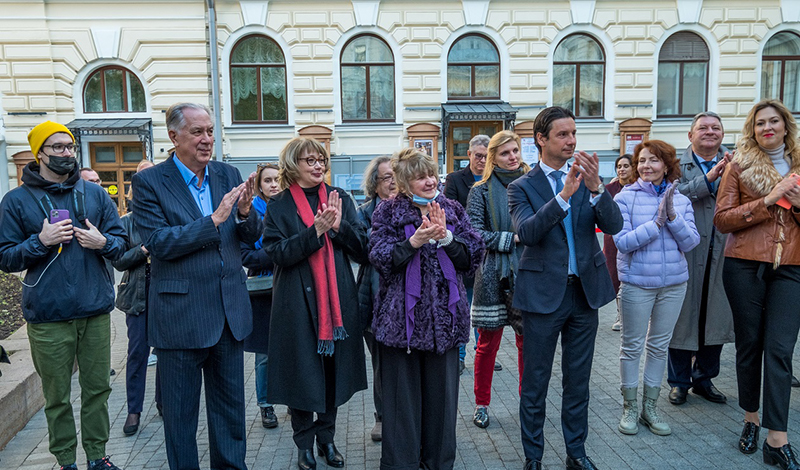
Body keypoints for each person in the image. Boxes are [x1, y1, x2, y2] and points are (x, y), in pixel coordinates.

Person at [131, 103, 262, 470]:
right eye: (197, 132)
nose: (207, 140)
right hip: (181, 319)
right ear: (174, 137)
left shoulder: (226, 173)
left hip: (228, 315)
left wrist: (245, 215)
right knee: (180, 420)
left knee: (231, 415)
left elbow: (248, 240)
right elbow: (158, 243)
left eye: (210, 131)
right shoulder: (149, 182)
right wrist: (215, 219)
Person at [0, 121, 127, 470]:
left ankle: (98, 457)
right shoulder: (16, 201)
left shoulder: (94, 194)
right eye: (57, 148)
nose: (66, 154)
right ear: (40, 153)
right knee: (56, 398)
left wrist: (104, 243)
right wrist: (40, 242)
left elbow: (121, 245)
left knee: (98, 391)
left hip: (95, 311)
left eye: (70, 147)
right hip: (48, 316)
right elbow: (5, 257)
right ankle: (66, 461)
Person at [508, 106, 623, 470]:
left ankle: (576, 452)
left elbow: (614, 225)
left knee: (579, 381)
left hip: (584, 294)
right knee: (536, 382)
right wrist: (562, 197)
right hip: (542, 297)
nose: (571, 141)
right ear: (541, 140)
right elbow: (527, 233)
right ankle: (534, 457)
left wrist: (596, 190)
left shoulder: (587, 179)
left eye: (573, 133)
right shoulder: (521, 187)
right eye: (562, 134)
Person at [370, 147, 484, 470]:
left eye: (432, 174)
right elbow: (379, 257)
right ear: (405, 183)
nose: (430, 180)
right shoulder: (389, 212)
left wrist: (447, 237)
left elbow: (473, 255)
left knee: (442, 409)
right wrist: (414, 242)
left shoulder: (451, 208)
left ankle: (437, 463)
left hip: (444, 327)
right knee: (401, 409)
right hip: (400, 328)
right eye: (421, 176)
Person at [263, 137, 368, 470]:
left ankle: (327, 439)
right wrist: (314, 231)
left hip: (336, 308)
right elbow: (276, 253)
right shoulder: (279, 205)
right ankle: (304, 445)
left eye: (321, 159)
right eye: (310, 160)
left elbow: (362, 249)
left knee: (332, 375)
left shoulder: (341, 199)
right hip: (296, 305)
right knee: (302, 377)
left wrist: (337, 227)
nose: (318, 165)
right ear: (294, 165)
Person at [714, 99, 800, 468]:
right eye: (760, 123)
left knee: (779, 349)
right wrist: (768, 198)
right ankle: (750, 418)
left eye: (774, 122)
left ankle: (776, 438)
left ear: (786, 126)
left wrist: (797, 203)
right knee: (750, 345)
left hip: (792, 267)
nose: (768, 128)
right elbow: (722, 219)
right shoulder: (739, 166)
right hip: (744, 265)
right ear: (753, 129)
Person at [613, 140, 700, 437]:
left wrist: (672, 216)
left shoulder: (682, 200)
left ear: (666, 165)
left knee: (659, 346)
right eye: (642, 160)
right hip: (637, 284)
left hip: (674, 285)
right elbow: (622, 242)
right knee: (631, 346)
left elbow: (690, 243)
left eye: (654, 160)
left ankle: (650, 408)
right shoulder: (625, 198)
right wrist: (656, 222)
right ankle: (629, 407)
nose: (646, 166)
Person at [668, 112, 734, 406]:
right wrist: (706, 181)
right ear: (690, 135)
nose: (710, 132)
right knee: (682, 318)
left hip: (724, 250)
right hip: (686, 252)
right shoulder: (675, 166)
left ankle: (704, 379)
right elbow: (667, 198)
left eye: (715, 128)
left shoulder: (737, 165)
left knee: (716, 315)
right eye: (703, 128)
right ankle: (679, 382)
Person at [466, 130, 529, 429]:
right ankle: (481, 404)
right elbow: (474, 232)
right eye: (505, 153)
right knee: (487, 345)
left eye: (515, 150)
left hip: (526, 274)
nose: (512, 156)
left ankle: (527, 402)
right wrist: (511, 239)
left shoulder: (531, 185)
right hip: (492, 274)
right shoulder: (480, 190)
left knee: (525, 343)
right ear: (493, 158)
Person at [444, 134, 498, 374]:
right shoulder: (456, 179)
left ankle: (483, 353)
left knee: (485, 310)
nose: (482, 160)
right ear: (469, 155)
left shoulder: (494, 179)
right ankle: (460, 355)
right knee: (463, 306)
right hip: (465, 252)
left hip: (490, 254)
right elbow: (451, 214)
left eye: (486, 156)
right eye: (478, 156)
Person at [112, 159, 157, 437]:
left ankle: (165, 403)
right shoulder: (126, 223)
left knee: (167, 353)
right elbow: (119, 261)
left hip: (167, 294)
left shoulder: (167, 214)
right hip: (137, 295)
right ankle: (134, 410)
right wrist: (144, 250)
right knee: (138, 353)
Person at [356, 155, 397, 442]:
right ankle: (382, 417)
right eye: (386, 177)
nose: (393, 181)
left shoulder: (411, 205)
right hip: (374, 296)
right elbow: (362, 250)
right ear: (375, 183)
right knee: (381, 363)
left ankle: (404, 417)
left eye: (396, 175)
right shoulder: (362, 213)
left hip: (406, 297)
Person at [241, 162, 280, 429]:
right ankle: (266, 404)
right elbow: (245, 255)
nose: (273, 184)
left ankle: (290, 396)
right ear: (259, 185)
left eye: (277, 179)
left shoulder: (290, 206)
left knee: (290, 347)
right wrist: (278, 253)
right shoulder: (250, 213)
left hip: (288, 285)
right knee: (265, 352)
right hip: (262, 288)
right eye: (268, 180)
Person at [604, 154, 634, 331]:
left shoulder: (639, 187)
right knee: (615, 276)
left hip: (633, 237)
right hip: (612, 240)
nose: (621, 169)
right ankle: (620, 314)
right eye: (619, 166)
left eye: (625, 166)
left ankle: (633, 315)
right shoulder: (609, 188)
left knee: (632, 276)